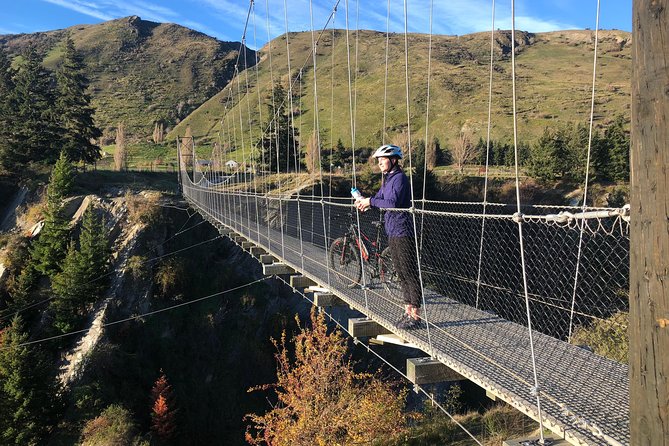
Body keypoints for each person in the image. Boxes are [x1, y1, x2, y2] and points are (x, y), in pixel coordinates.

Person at [355, 144, 424, 330]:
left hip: (403, 230)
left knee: (408, 272)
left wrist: (371, 201)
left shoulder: (399, 178)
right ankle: (407, 310)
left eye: (382, 159)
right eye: (378, 160)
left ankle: (416, 316)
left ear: (393, 160)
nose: (379, 163)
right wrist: (366, 203)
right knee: (400, 272)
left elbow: (391, 202)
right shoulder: (388, 178)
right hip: (392, 230)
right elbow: (380, 198)